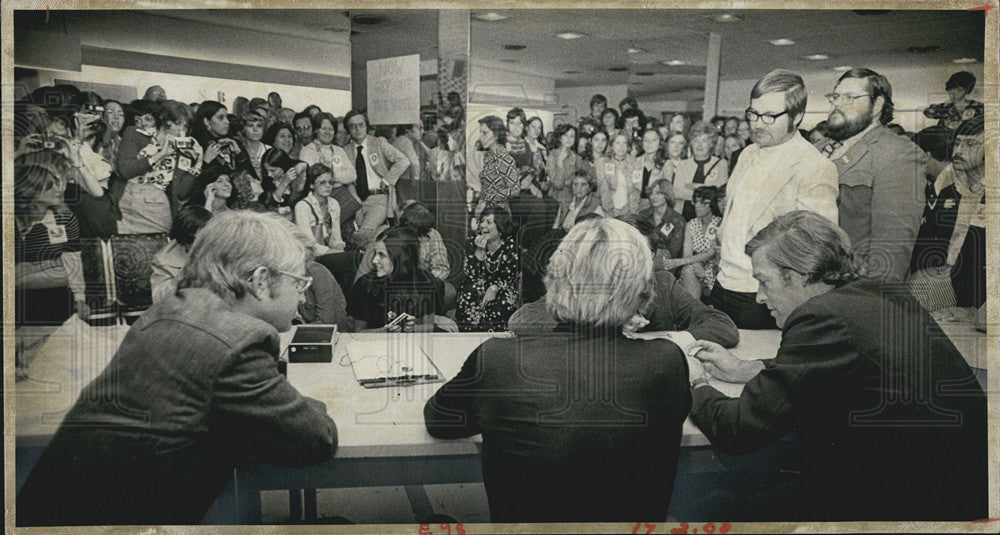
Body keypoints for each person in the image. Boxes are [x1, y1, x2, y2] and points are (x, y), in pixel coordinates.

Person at [16, 211, 339, 525]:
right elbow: (315, 440)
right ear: (260, 280)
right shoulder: (236, 341)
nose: (303, 294)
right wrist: (309, 404)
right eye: (299, 281)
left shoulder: (168, 312)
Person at [686, 210, 987, 521]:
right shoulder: (880, 290)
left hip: (905, 508)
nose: (760, 297)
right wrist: (746, 368)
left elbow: (739, 429)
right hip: (958, 492)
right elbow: (844, 361)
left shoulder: (820, 318)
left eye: (764, 282)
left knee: (709, 508)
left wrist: (696, 384)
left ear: (799, 274)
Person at [426, 217, 692, 522]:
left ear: (556, 278)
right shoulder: (668, 362)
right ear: (641, 290)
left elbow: (437, 419)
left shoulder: (499, 359)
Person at [712, 69, 838, 329]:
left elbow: (818, 249)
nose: (757, 124)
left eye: (769, 116)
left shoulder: (814, 166)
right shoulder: (747, 153)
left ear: (797, 116)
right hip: (723, 283)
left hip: (761, 295)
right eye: (753, 114)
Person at [817, 68, 926, 282]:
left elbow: (891, 254)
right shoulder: (819, 148)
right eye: (835, 96)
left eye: (850, 97)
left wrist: (871, 303)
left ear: (877, 106)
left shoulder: (897, 153)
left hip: (849, 288)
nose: (838, 104)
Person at [14, 155, 90, 326]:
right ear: (30, 192)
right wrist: (51, 265)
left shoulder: (65, 218)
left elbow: (72, 260)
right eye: (50, 186)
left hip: (57, 295)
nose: (59, 189)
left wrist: (80, 297)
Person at [117, 100, 204, 234]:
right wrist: (161, 154)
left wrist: (198, 163)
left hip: (159, 205)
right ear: (165, 121)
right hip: (130, 201)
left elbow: (181, 193)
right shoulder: (136, 133)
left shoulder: (183, 150)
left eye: (185, 126)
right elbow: (125, 170)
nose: (181, 130)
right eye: (177, 123)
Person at [347, 226, 446, 332]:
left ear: (401, 258)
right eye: (375, 253)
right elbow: (358, 332)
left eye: (382, 255)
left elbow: (429, 326)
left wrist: (414, 328)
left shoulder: (427, 283)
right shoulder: (366, 285)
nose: (375, 260)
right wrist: (383, 331)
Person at [936, 116, 987, 308]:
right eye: (957, 143)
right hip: (949, 285)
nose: (958, 151)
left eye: (970, 144)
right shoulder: (949, 187)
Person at [456, 205, 520, 332]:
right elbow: (470, 274)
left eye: (489, 222)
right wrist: (479, 252)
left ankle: (496, 337)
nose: (483, 225)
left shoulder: (511, 246)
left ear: (500, 227)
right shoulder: (471, 242)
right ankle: (469, 334)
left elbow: (511, 276)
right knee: (469, 292)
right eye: (482, 221)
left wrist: (494, 287)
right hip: (477, 283)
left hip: (502, 286)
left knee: (501, 301)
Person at [345, 109, 410, 229]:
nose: (357, 129)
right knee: (368, 234)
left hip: (379, 197)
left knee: (365, 230)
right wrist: (356, 203)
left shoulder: (379, 143)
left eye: (361, 124)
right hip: (357, 201)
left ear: (367, 126)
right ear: (348, 130)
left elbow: (403, 161)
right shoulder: (346, 150)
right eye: (353, 126)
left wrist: (387, 180)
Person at [299, 113, 361, 226]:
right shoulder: (307, 151)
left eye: (331, 129)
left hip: (342, 197)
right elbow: (313, 178)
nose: (328, 132)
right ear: (316, 130)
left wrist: (331, 177)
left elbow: (352, 175)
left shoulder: (339, 150)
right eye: (324, 128)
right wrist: (339, 177)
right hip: (319, 199)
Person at [669, 186, 724, 300]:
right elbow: (687, 254)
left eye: (703, 202)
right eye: (696, 201)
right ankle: (694, 309)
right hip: (695, 265)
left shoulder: (720, 223)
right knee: (689, 270)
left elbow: (710, 253)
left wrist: (678, 262)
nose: (697, 206)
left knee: (689, 270)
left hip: (715, 268)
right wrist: (695, 264)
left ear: (712, 204)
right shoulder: (691, 224)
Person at [151, 205, 213, 303]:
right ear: (183, 239)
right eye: (193, 240)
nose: (201, 246)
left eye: (206, 238)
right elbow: (159, 299)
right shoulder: (164, 259)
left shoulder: (220, 249)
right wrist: (186, 272)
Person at [672, 121, 728, 220]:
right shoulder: (683, 164)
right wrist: (707, 191)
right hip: (684, 215)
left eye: (704, 141)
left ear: (711, 144)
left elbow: (720, 194)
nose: (699, 145)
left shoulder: (721, 164)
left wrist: (697, 187)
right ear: (691, 144)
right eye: (696, 140)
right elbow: (677, 192)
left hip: (711, 218)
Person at [473, 115, 519, 219]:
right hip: (485, 210)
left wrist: (488, 197)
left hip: (499, 214)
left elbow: (515, 190)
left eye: (484, 133)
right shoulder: (488, 156)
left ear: (496, 135)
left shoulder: (505, 159)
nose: (480, 137)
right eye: (481, 133)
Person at [294, 164, 345, 255]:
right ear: (312, 185)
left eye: (330, 182)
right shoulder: (302, 207)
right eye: (322, 183)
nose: (328, 186)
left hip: (330, 253)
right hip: (310, 256)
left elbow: (336, 238)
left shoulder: (334, 204)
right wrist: (335, 253)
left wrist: (339, 249)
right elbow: (309, 246)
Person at [635, 179, 686, 266]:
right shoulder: (643, 215)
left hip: (666, 264)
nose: (653, 197)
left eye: (658, 193)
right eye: (651, 193)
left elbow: (674, 252)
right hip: (642, 260)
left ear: (667, 195)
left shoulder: (677, 220)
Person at [595, 130, 641, 220]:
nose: (621, 146)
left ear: (628, 146)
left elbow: (636, 191)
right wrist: (610, 213)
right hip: (608, 211)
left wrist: (633, 215)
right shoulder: (604, 162)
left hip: (628, 211)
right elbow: (604, 189)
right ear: (612, 145)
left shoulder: (635, 164)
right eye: (618, 143)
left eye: (624, 143)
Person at [545, 124, 586, 207]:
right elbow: (558, 184)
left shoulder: (577, 158)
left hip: (575, 199)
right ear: (560, 138)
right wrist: (560, 162)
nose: (569, 139)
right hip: (557, 200)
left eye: (572, 136)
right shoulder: (553, 155)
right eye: (566, 135)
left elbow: (581, 182)